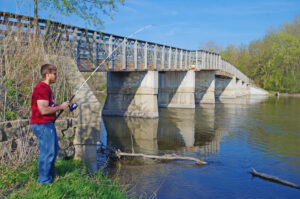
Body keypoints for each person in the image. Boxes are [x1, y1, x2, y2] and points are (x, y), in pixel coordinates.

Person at [30, 64, 69, 184]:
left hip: (47, 124)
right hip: (42, 124)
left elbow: (49, 106)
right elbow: (43, 110)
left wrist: (60, 105)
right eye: (55, 74)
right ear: (48, 74)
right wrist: (61, 107)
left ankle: (51, 176)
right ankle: (43, 181)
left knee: (53, 150)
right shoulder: (42, 88)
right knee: (47, 152)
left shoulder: (47, 88)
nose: (56, 76)